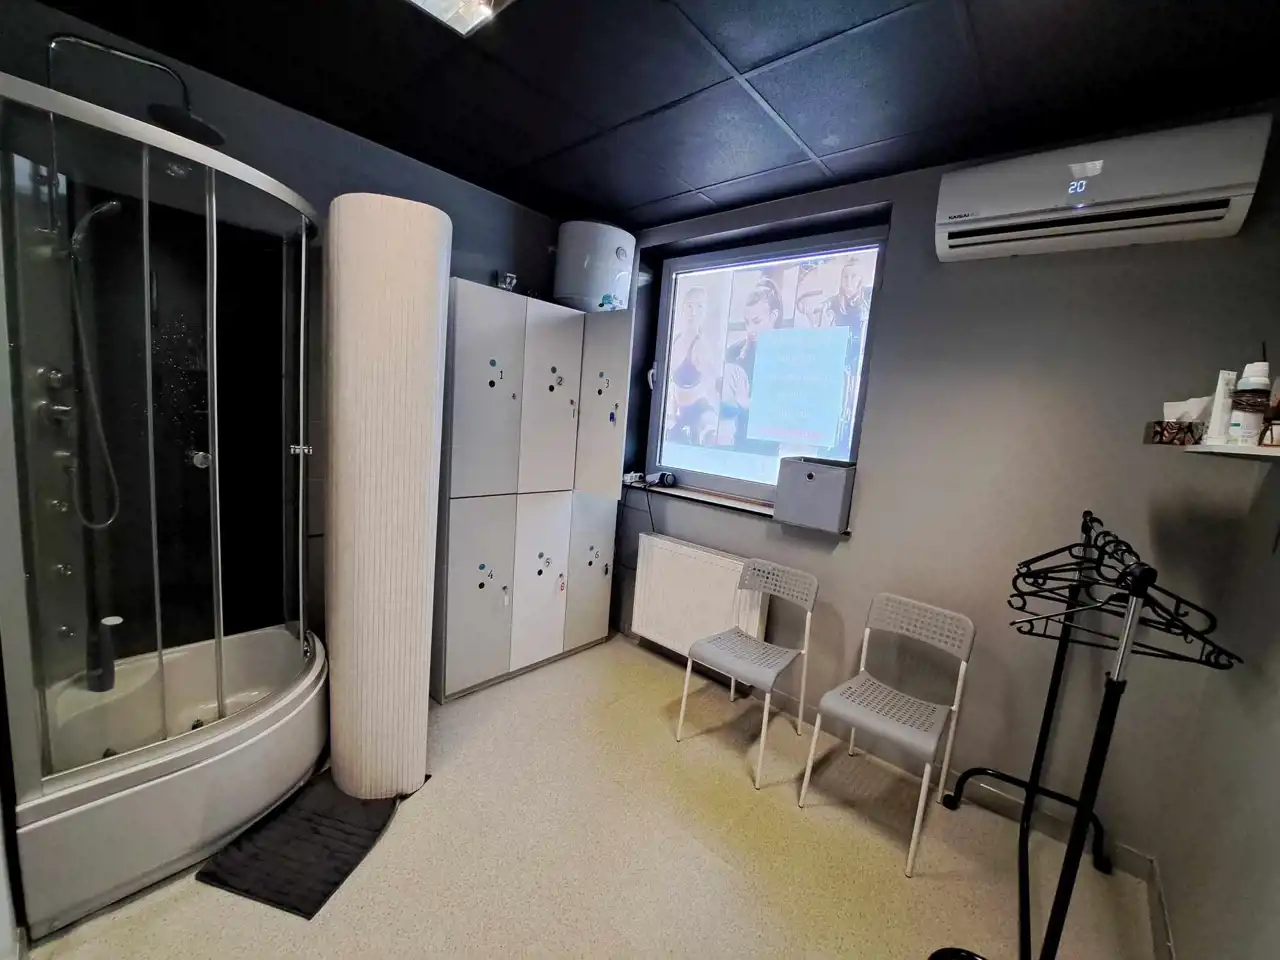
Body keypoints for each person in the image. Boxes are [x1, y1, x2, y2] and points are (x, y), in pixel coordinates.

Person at [721, 278, 782, 451]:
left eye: (757, 321)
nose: (750, 329)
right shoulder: (734, 351)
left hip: (769, 447)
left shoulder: (786, 353)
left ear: (774, 316)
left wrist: (747, 403)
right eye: (746, 323)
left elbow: (784, 410)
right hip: (737, 440)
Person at [829, 256, 873, 329]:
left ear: (860, 278)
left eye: (853, 276)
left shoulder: (869, 295)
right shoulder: (833, 302)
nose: (848, 281)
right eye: (845, 277)